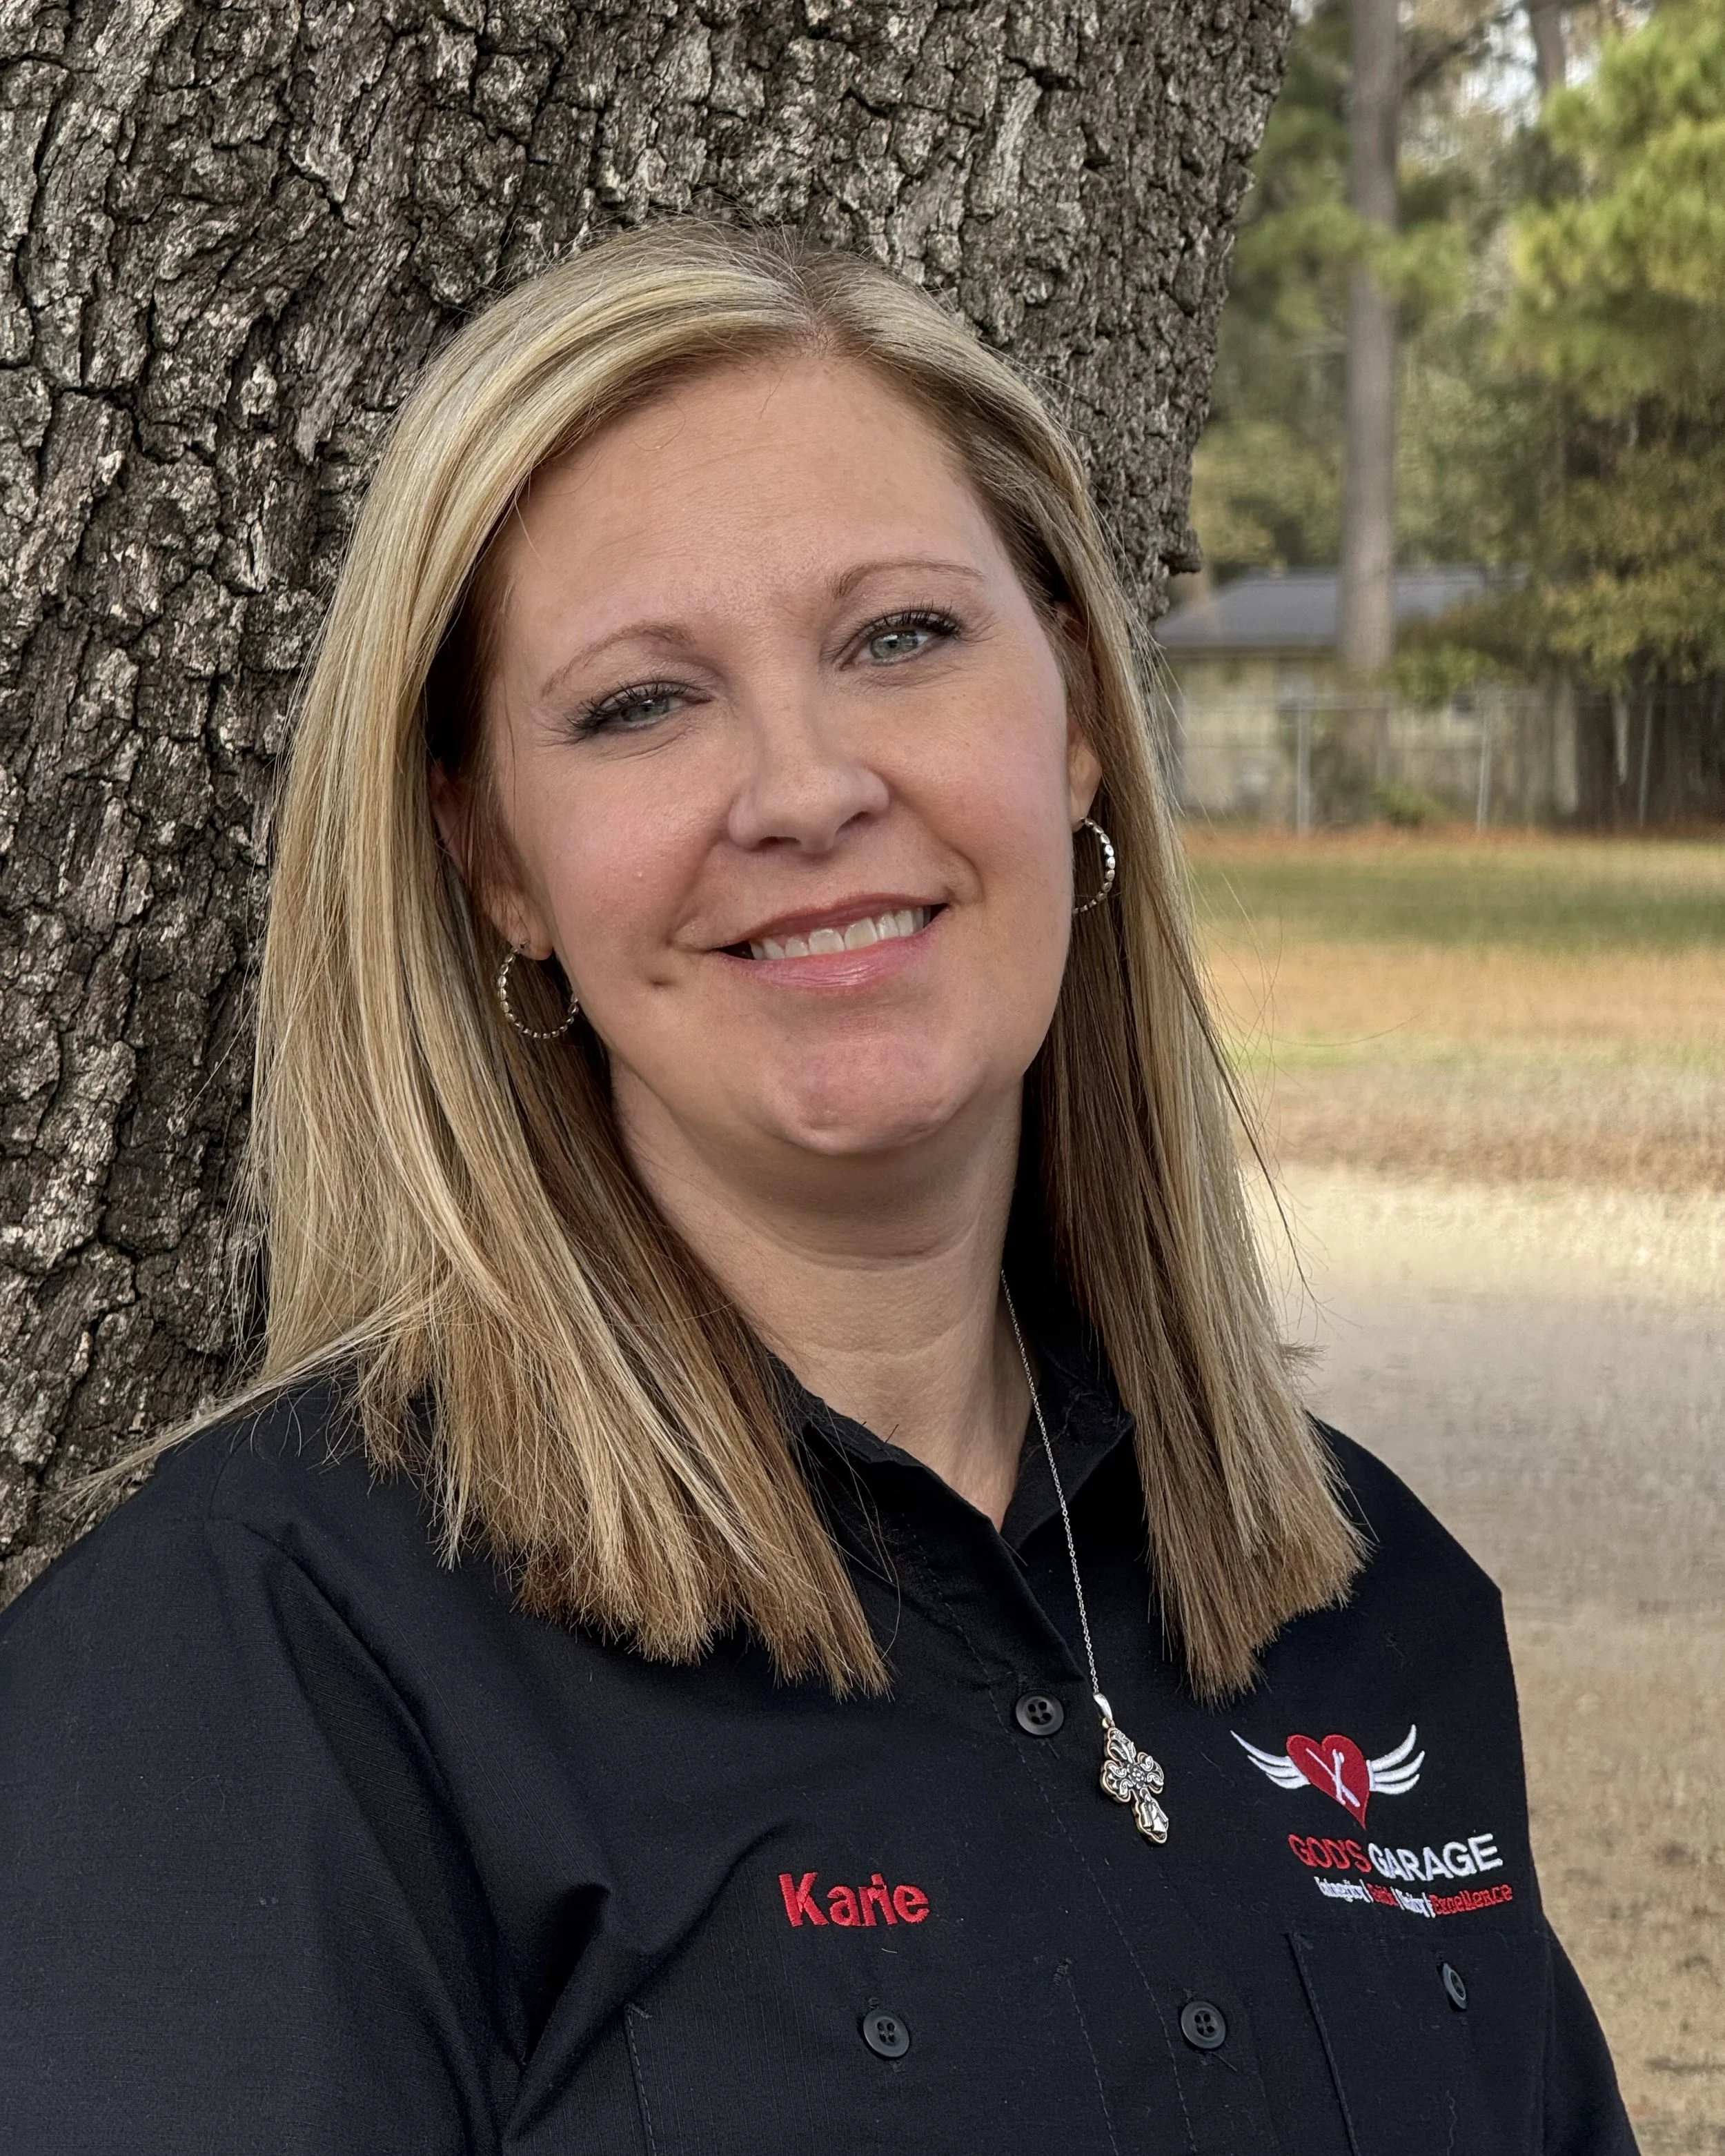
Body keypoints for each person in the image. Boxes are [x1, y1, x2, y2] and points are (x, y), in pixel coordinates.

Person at [0, 220, 1635, 2155]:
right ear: (495, 861)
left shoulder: (1377, 1608)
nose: (801, 784)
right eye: (637, 703)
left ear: (1079, 714)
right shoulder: (264, 1669)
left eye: (900, 637)